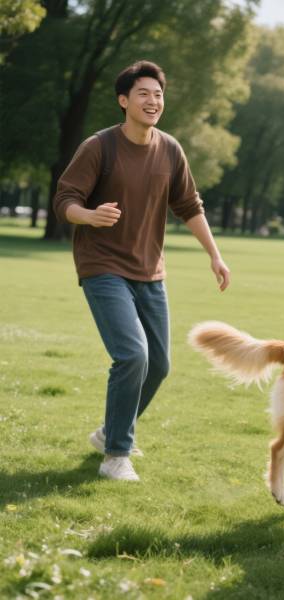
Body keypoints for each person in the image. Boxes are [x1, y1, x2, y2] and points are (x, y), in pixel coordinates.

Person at [53, 60, 231, 482]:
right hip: (102, 266)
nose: (153, 101)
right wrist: (89, 215)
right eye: (143, 94)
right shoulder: (99, 147)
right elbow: (64, 200)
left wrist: (215, 255)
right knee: (132, 354)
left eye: (158, 94)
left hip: (150, 270)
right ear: (123, 101)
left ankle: (109, 433)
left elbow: (189, 205)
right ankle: (116, 454)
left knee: (160, 365)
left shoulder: (170, 149)